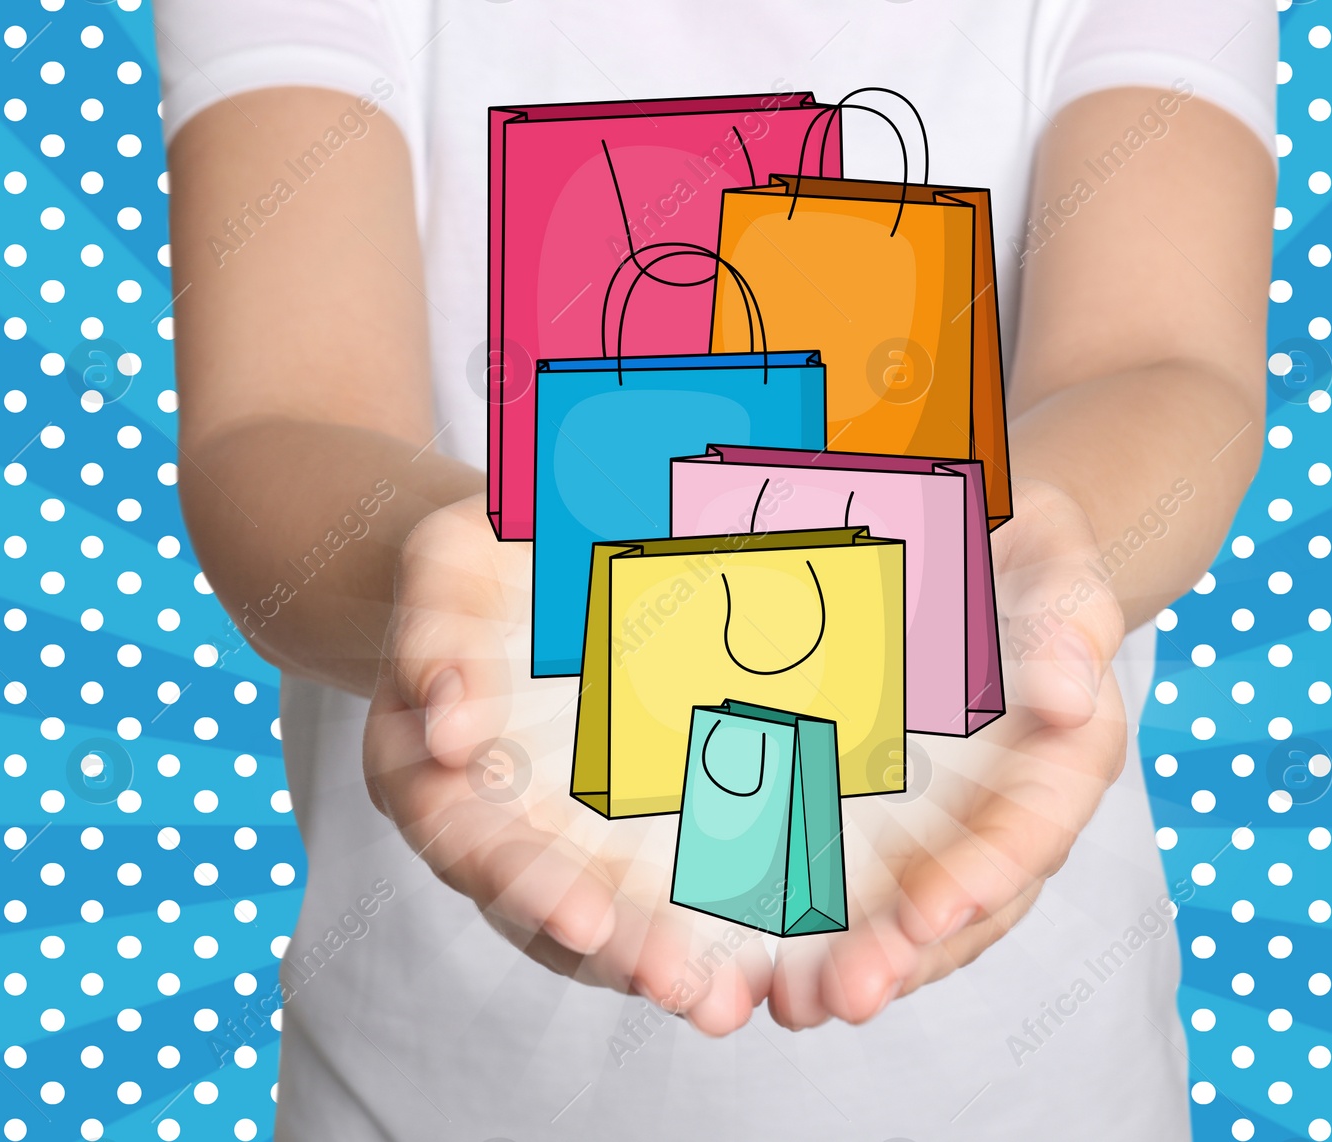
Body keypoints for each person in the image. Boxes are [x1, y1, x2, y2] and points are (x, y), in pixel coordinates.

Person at [155, 1, 1275, 1137]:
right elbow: (274, 421)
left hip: (1043, 1090)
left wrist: (1021, 560)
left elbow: (1166, 364)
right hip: (420, 1090)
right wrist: (441, 597)